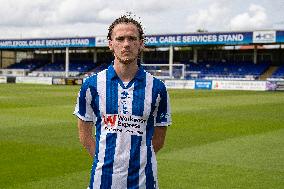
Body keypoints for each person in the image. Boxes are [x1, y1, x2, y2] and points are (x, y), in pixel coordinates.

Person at [74, 14, 171, 189]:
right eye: (120, 39)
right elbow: (84, 135)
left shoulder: (157, 88)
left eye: (132, 38)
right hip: (102, 181)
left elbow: (159, 139)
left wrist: (137, 161)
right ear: (111, 44)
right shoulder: (91, 85)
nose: (126, 44)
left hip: (144, 181)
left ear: (141, 43)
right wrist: (105, 159)